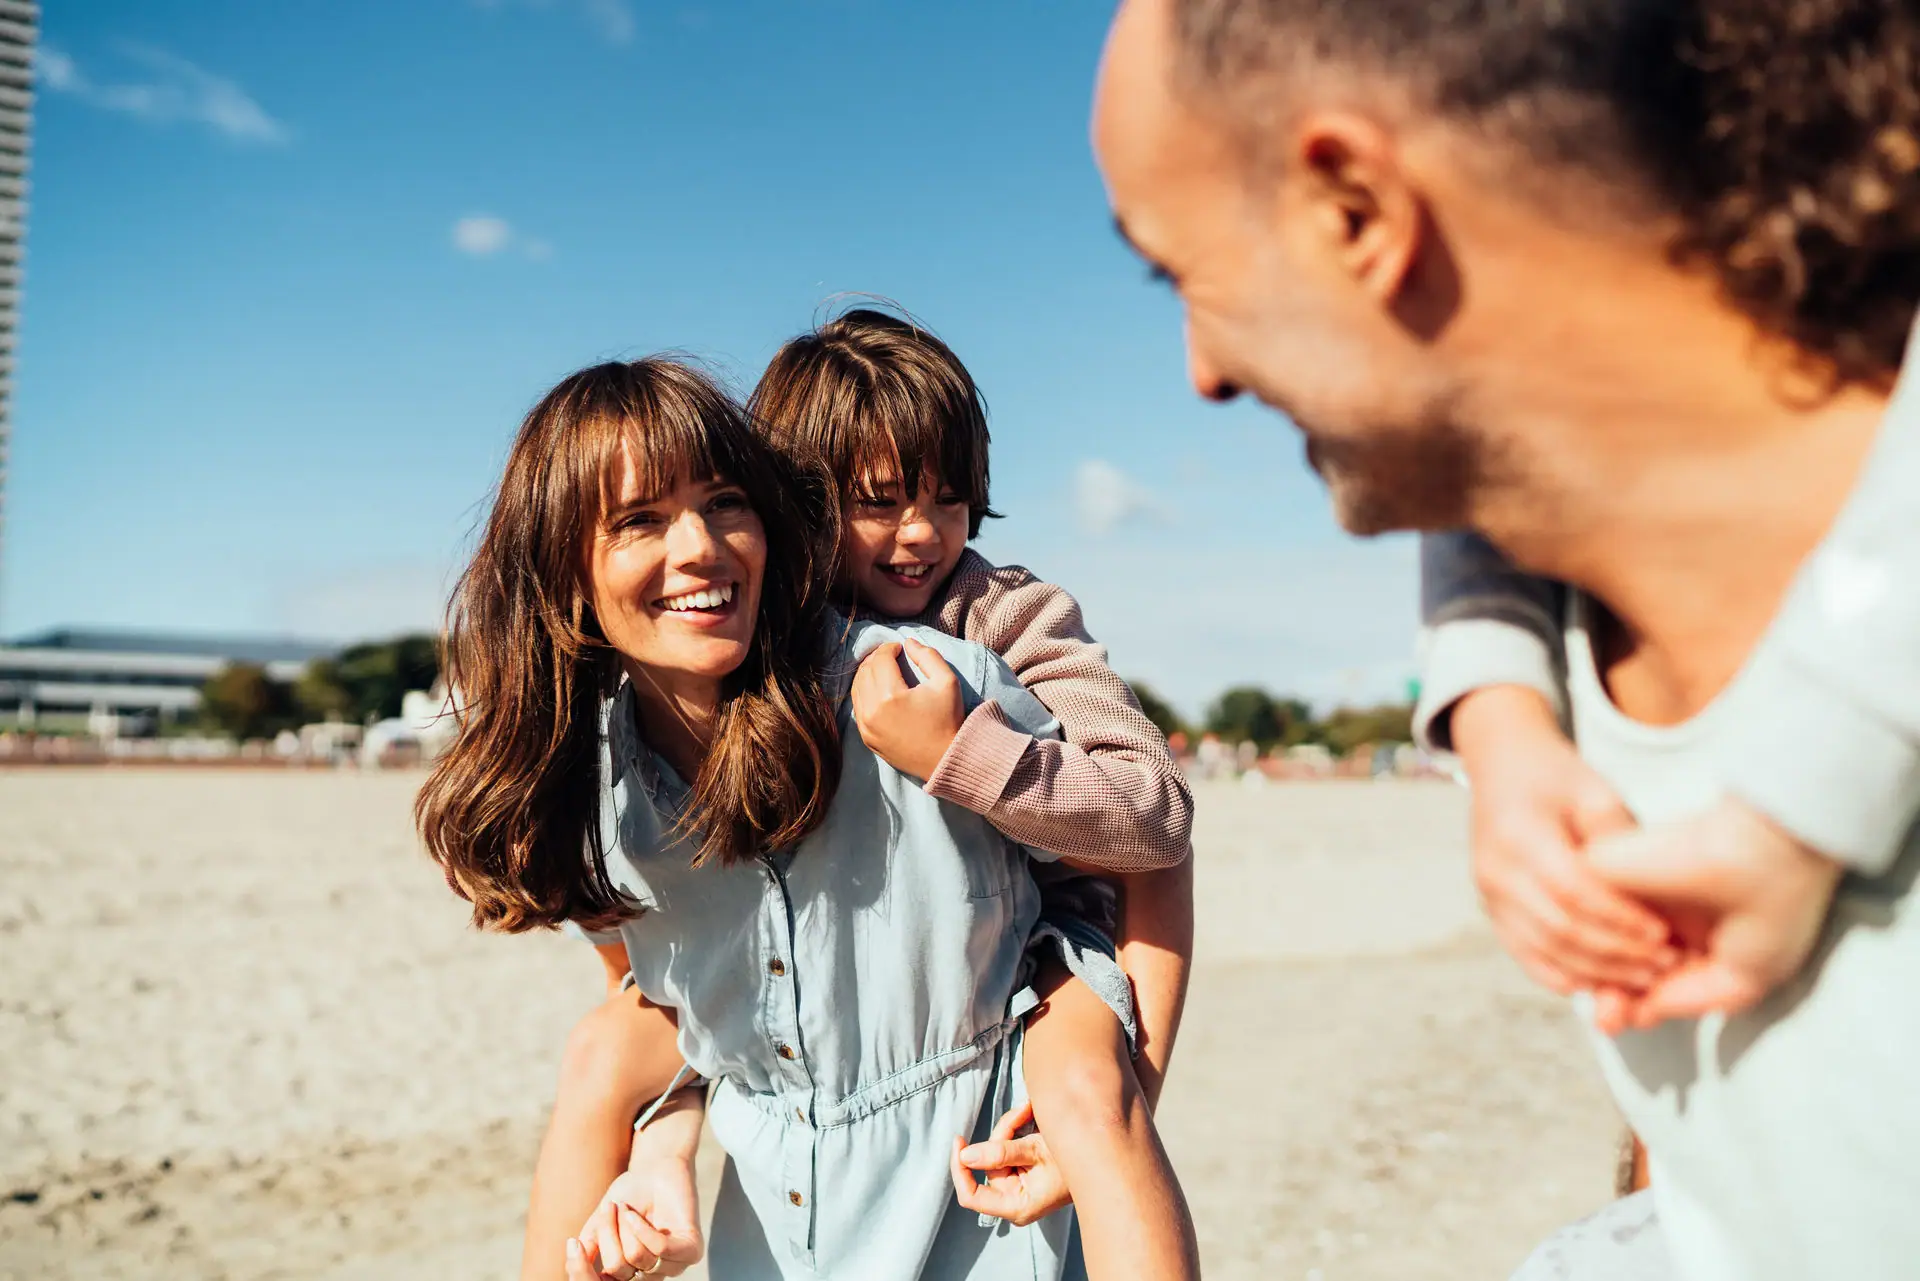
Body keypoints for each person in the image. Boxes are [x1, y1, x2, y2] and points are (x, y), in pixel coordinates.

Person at [1089, 0, 1920, 1277]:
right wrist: (1495, 704)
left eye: (1177, 273)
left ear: (1358, 211)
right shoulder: (1555, 640)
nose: (1202, 371)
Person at [417, 356, 1145, 1279]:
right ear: (565, 576)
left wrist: (1113, 1084)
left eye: (725, 502)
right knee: (597, 1057)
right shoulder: (591, 783)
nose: (700, 547)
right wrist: (662, 1147)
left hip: (980, 1201)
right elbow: (667, 1000)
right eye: (641, 519)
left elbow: (1151, 834)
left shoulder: (927, 683)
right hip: (772, 1223)